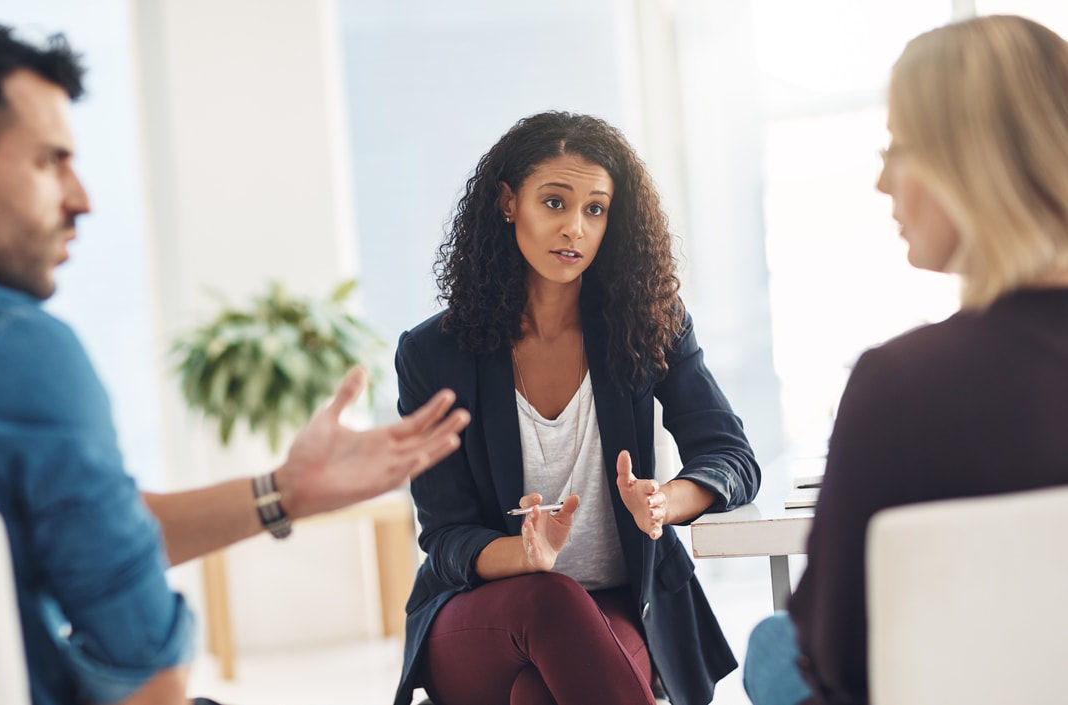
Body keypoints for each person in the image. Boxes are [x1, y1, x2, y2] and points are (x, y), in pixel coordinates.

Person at [0, 21, 470, 705]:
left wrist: (284, 489)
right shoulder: (14, 352)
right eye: (49, 162)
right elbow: (150, 677)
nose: (82, 198)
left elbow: (79, 533)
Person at [743, 14, 1068, 705]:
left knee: (771, 647)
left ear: (969, 161)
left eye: (898, 146)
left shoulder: (903, 385)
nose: (882, 182)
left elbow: (835, 658)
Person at [392, 111, 761, 705]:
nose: (576, 229)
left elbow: (730, 455)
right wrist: (524, 554)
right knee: (550, 595)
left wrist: (668, 501)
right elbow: (445, 532)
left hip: (616, 603)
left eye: (595, 209)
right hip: (482, 614)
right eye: (555, 203)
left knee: (539, 695)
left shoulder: (648, 325)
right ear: (509, 202)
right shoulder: (434, 354)